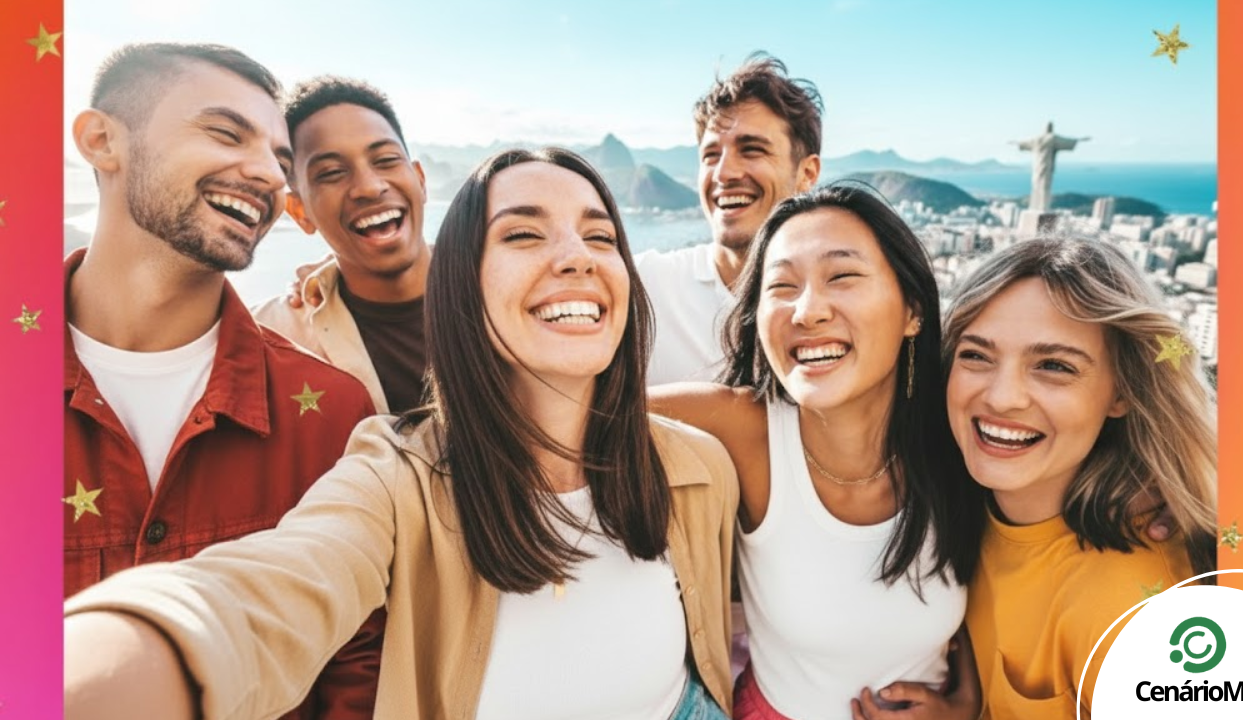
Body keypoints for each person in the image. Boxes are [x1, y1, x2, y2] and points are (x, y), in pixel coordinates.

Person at [64, 148, 739, 720]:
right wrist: (127, 647)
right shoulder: (398, 477)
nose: (576, 258)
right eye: (524, 235)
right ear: (463, 288)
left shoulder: (695, 467)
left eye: (600, 236)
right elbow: (272, 587)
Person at [64, 42, 383, 719]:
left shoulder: (331, 413)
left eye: (279, 159)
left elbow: (357, 670)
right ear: (101, 141)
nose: (267, 173)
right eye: (224, 132)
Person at [652, 183, 986, 720]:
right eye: (781, 286)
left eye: (843, 276)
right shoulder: (746, 430)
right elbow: (566, 418)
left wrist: (966, 707)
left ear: (913, 311)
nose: (807, 311)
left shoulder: (963, 436)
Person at [942, 237, 1216, 718]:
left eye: (1053, 366)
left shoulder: (1136, 612)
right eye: (976, 356)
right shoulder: (973, 500)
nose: (1003, 397)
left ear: (1122, 393)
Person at [637, 53, 822, 384]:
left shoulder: (831, 310)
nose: (724, 173)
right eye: (710, 155)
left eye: (751, 149)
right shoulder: (645, 289)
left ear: (807, 173)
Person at [253, 77, 431, 414]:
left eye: (386, 160)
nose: (368, 186)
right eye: (332, 173)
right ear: (300, 211)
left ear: (420, 180)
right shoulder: (270, 338)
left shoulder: (504, 290)